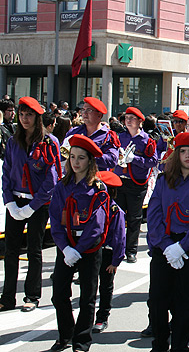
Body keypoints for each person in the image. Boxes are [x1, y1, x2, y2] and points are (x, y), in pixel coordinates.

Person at [146, 132, 189, 352]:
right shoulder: (164, 180)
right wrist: (166, 246)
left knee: (185, 304)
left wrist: (182, 247)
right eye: (183, 151)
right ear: (176, 155)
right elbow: (154, 215)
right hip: (164, 247)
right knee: (157, 302)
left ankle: (179, 346)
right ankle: (159, 344)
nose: (187, 156)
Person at [49, 134, 110, 351]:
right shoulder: (61, 186)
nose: (75, 162)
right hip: (66, 246)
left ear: (90, 161)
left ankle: (82, 340)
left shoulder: (98, 189)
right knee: (58, 293)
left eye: (81, 158)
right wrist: (65, 248)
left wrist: (78, 249)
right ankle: (65, 333)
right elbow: (55, 219)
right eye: (72, 157)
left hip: (89, 248)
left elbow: (97, 225)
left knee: (87, 296)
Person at [0, 97, 60, 312]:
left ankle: (32, 296)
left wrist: (32, 206)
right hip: (15, 200)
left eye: (30, 115)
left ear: (38, 117)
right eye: (22, 114)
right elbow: (6, 172)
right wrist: (9, 202)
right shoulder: (12, 141)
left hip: (38, 203)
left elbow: (51, 179)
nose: (25, 119)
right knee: (11, 250)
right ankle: (7, 297)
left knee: (34, 249)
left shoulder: (50, 142)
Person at [113, 107, 158, 263]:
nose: (128, 121)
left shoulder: (147, 140)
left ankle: (131, 250)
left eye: (132, 118)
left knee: (134, 218)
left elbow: (153, 161)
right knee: (117, 217)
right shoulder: (120, 137)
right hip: (119, 180)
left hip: (136, 183)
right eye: (127, 118)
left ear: (140, 122)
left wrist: (135, 159)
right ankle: (116, 247)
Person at [92, 171, 126, 334]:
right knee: (90, 286)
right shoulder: (93, 206)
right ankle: (88, 318)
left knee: (105, 287)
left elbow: (119, 238)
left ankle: (102, 317)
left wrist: (116, 261)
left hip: (107, 253)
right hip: (91, 251)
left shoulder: (115, 211)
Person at [64, 97, 119, 171]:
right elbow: (62, 155)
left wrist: (89, 157)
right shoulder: (74, 132)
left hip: (95, 178)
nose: (84, 113)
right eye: (83, 110)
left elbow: (112, 160)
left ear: (99, 115)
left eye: (89, 110)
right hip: (73, 178)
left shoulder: (108, 136)